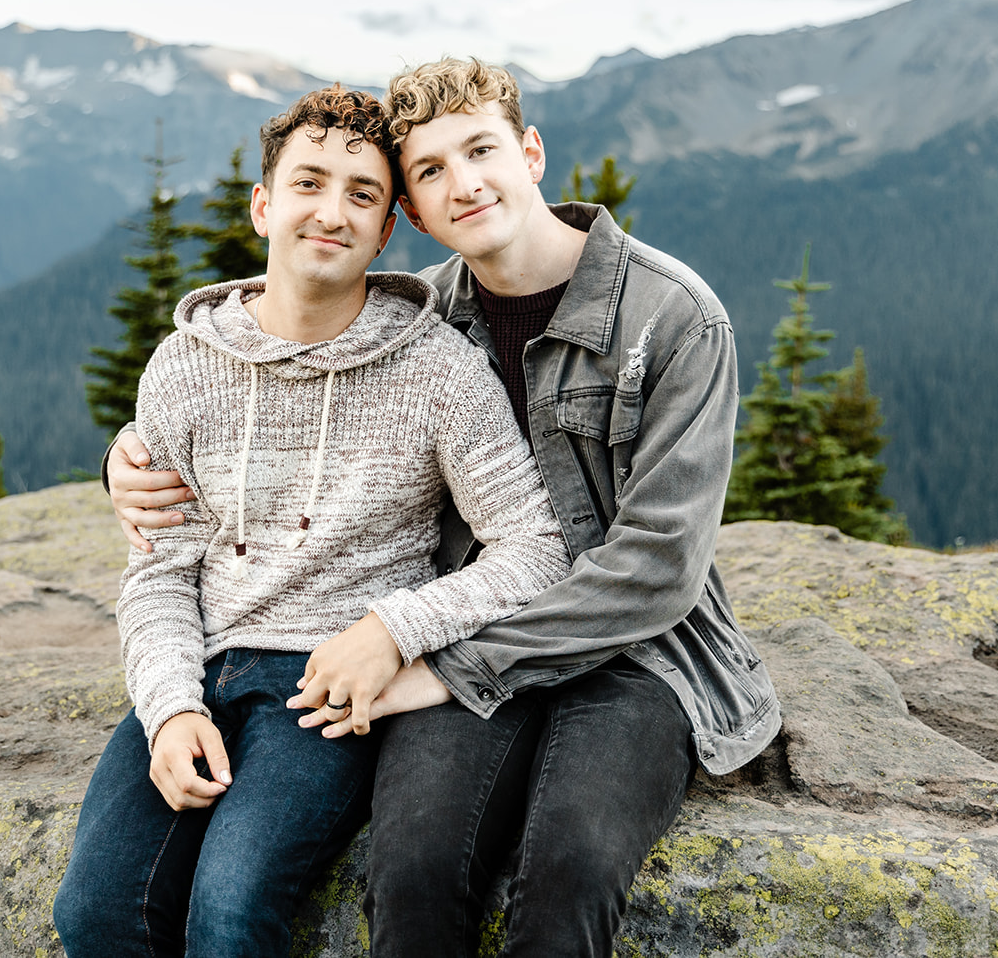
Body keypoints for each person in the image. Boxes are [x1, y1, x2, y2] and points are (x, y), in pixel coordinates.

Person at [105, 59, 781, 956]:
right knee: (415, 867)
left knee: (570, 871)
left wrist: (423, 658)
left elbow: (658, 567)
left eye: (482, 150)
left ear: (530, 151)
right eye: (429, 171)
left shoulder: (673, 317)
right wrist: (126, 455)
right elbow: (286, 370)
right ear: (411, 215)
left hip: (633, 652)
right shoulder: (424, 323)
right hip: (463, 625)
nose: (464, 183)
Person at [52, 84, 571, 958]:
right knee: (97, 911)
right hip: (205, 666)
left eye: (362, 194)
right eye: (308, 184)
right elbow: (159, 570)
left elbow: (535, 547)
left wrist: (395, 626)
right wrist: (172, 705)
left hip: (325, 692)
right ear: (263, 205)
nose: (331, 212)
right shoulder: (184, 368)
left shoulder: (437, 368)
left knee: (230, 909)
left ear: (386, 228)